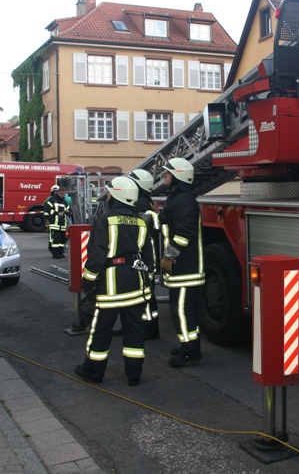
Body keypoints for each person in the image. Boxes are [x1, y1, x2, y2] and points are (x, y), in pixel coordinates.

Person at [75, 177, 154, 386]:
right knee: (135, 331)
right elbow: (148, 259)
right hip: (135, 287)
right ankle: (134, 374)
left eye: (109, 193)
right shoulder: (141, 221)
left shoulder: (105, 220)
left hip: (110, 289)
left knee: (100, 331)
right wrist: (147, 283)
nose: (107, 196)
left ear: (116, 195)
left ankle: (93, 371)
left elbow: (96, 258)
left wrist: (87, 283)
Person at [160, 158, 205, 367]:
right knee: (181, 310)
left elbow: (182, 236)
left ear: (177, 176)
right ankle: (189, 345)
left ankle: (191, 351)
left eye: (167, 174)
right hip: (182, 268)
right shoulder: (178, 198)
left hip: (186, 268)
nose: (165, 177)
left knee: (182, 311)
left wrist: (168, 257)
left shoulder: (184, 201)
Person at [126, 169, 161, 340]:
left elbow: (138, 231)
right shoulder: (143, 202)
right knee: (144, 292)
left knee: (146, 293)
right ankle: (144, 326)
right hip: (146, 255)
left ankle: (149, 329)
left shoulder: (140, 204)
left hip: (144, 256)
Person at [45, 185, 68, 258]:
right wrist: (56, 213)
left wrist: (67, 211)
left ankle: (60, 253)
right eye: (61, 193)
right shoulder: (51, 200)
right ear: (58, 192)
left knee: (63, 239)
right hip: (54, 223)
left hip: (62, 224)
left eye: (63, 194)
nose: (62, 195)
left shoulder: (65, 202)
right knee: (56, 239)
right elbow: (46, 211)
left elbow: (69, 210)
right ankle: (55, 254)